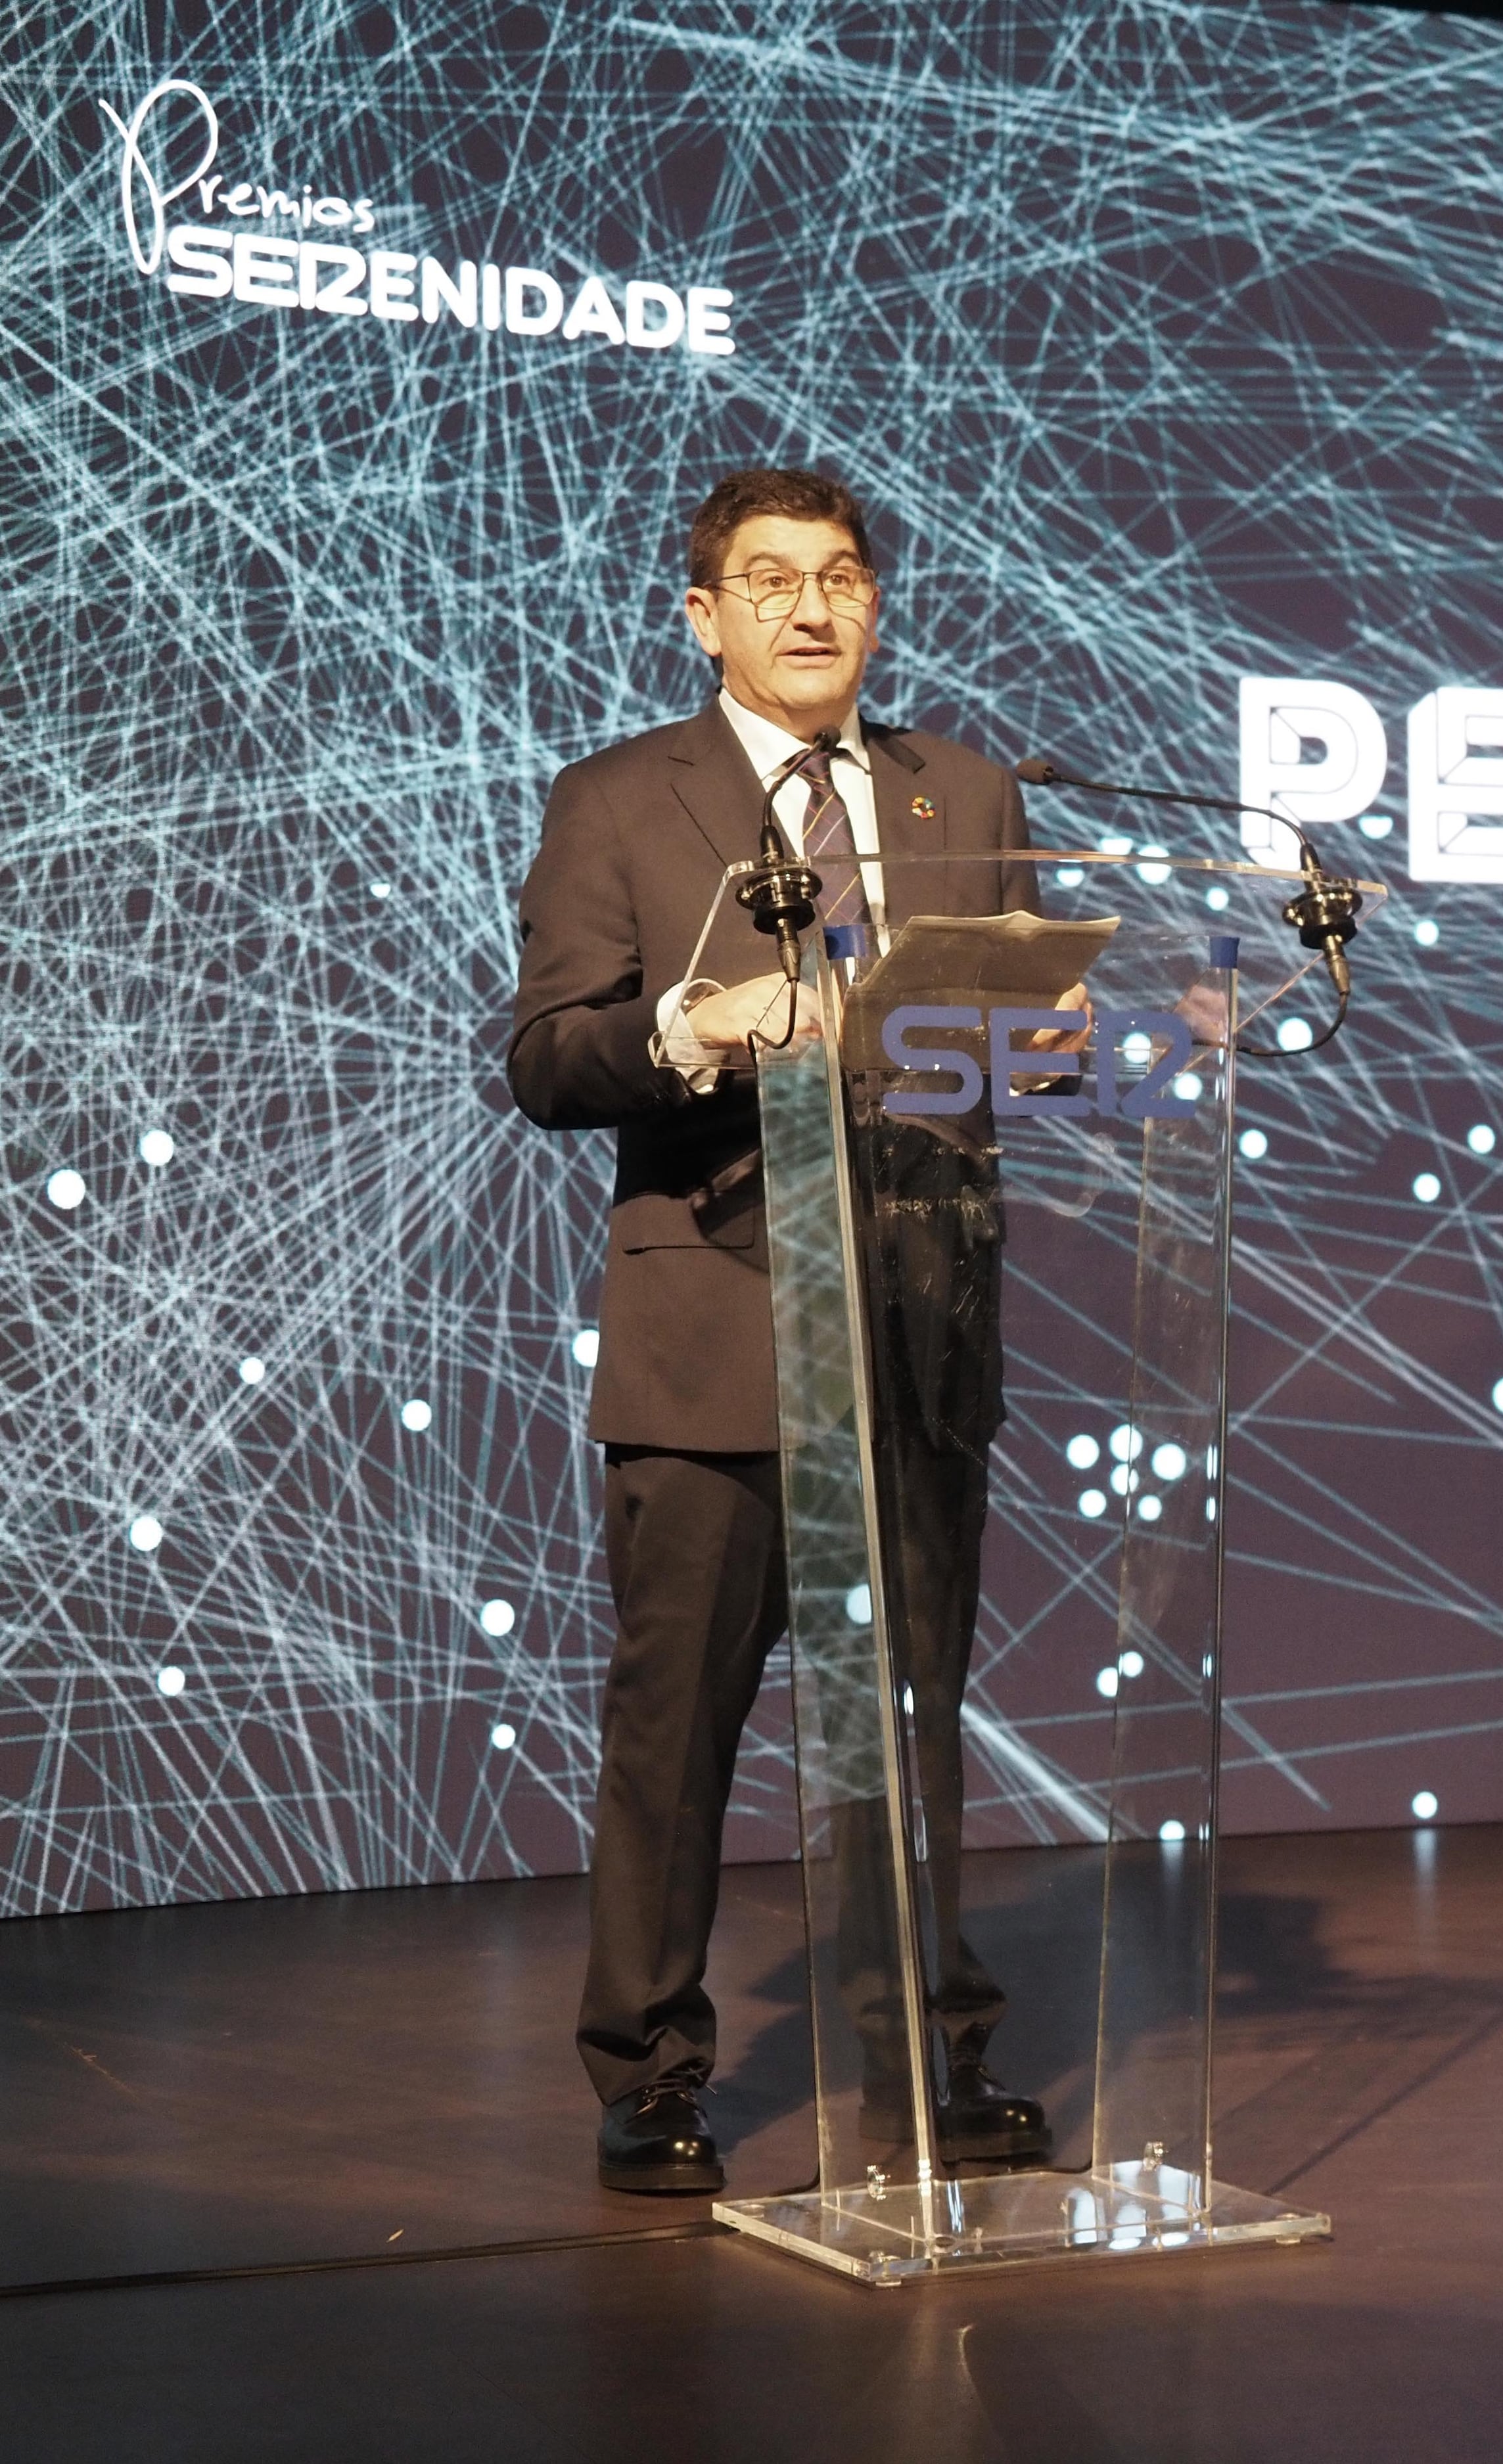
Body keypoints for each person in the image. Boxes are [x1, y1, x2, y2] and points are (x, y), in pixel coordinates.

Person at [507, 467, 1053, 2192]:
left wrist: (1083, 1033)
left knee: (911, 1713)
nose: (813, 609)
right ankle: (651, 2063)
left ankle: (934, 2052)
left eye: (840, 577)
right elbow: (543, 1056)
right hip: (716, 1322)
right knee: (679, 1727)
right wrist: (694, 1026)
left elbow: (999, 1042)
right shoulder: (621, 799)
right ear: (705, 613)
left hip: (915, 1322)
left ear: (875, 602)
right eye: (770, 579)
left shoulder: (966, 787)